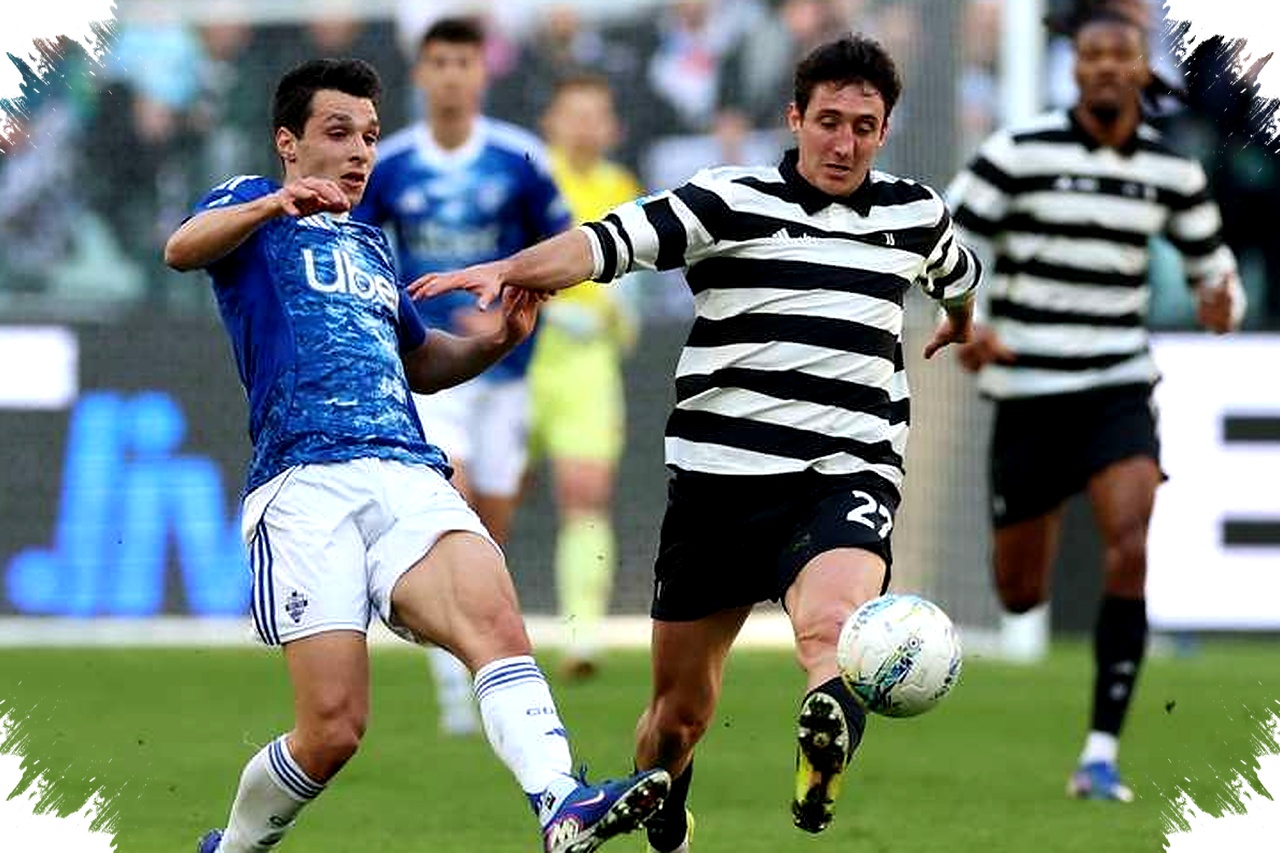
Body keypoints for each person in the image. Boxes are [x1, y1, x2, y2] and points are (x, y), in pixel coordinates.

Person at [411, 34, 981, 850]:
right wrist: (514, 268)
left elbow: (956, 275)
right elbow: (609, 242)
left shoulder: (913, 214)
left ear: (885, 130)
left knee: (832, 628)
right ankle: (667, 811)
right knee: (677, 718)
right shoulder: (727, 199)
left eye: (863, 127)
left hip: (844, 472)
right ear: (795, 118)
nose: (844, 143)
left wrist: (960, 323)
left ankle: (826, 736)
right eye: (829, 122)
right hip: (719, 488)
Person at [163, 57, 668, 853]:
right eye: (339, 133)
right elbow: (181, 249)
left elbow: (421, 362)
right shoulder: (249, 207)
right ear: (288, 143)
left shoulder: (370, 245)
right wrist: (270, 203)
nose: (360, 151)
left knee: (496, 620)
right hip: (306, 481)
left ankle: (561, 802)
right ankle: (234, 847)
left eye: (369, 136)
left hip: (406, 468)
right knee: (332, 729)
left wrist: (497, 341)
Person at [946, 8, 1243, 802]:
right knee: (1020, 592)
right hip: (1029, 389)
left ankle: (1101, 753)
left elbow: (1214, 268)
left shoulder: (1170, 168)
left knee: (1131, 541)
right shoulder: (1018, 152)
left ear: (1144, 69)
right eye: (1093, 55)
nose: (1108, 66)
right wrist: (971, 321)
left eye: (1122, 54)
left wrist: (1225, 302)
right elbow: (945, 243)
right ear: (1074, 69)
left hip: (1116, 385)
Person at [352, 17, 572, 737]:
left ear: (483, 71)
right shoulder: (392, 163)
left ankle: (477, 661)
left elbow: (561, 250)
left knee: (491, 529)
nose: (451, 75)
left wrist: (513, 306)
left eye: (463, 62)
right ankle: (456, 687)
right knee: (456, 504)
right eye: (439, 62)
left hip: (507, 368)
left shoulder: (520, 159)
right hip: (430, 369)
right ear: (420, 73)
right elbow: (359, 247)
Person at [529, 74, 645, 681]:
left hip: (585, 362)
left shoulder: (622, 189)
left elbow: (635, 289)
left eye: (596, 114)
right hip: (520, 355)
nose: (584, 125)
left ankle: (583, 634)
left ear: (613, 126)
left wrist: (609, 315)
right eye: (573, 113)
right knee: (486, 496)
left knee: (586, 491)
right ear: (550, 122)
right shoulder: (528, 179)